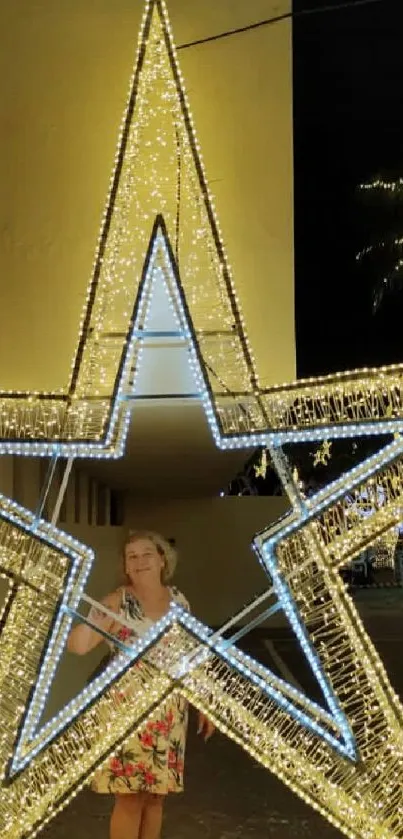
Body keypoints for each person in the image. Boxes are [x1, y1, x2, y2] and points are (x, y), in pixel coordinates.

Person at [68, 529, 214, 839]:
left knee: (155, 798)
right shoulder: (118, 601)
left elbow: (192, 655)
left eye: (147, 553)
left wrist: (204, 700)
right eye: (131, 556)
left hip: (169, 713)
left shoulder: (179, 602)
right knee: (130, 798)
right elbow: (80, 645)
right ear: (125, 566)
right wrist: (70, 613)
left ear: (162, 559)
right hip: (128, 711)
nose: (140, 561)